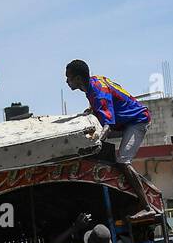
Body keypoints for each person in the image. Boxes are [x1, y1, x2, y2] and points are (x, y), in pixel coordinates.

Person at [64, 60, 160, 223]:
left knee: (123, 161)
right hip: (126, 121)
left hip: (137, 121)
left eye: (69, 78)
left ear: (79, 79)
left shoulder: (97, 92)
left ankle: (147, 208)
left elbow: (108, 126)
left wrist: (96, 144)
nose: (67, 81)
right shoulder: (92, 83)